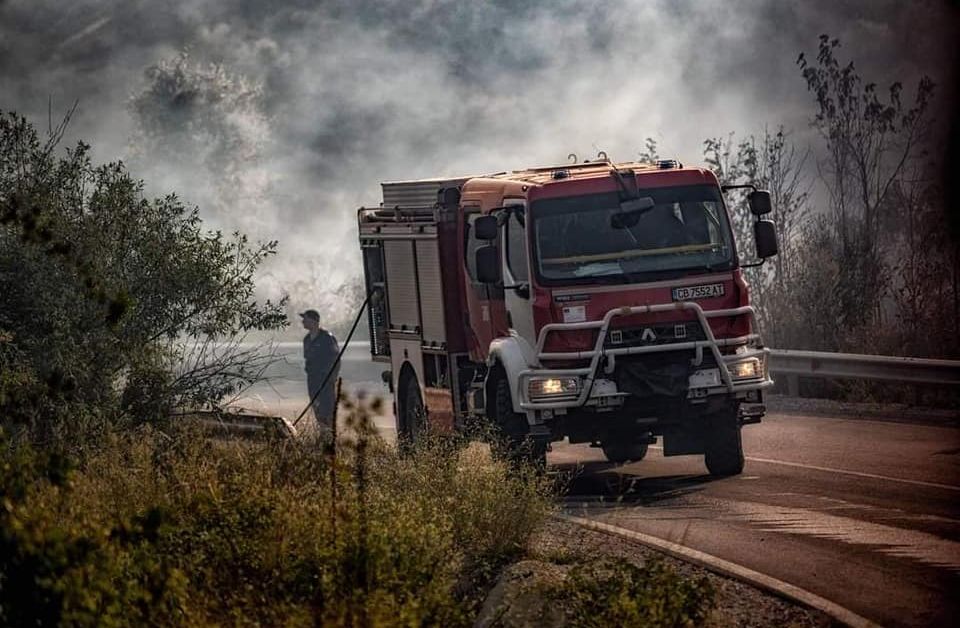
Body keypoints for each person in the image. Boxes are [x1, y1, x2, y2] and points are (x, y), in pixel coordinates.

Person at [300, 309, 340, 432]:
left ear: (313, 320)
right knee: (316, 405)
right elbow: (307, 359)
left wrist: (332, 377)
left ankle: (330, 434)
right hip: (312, 380)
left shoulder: (327, 338)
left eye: (305, 318)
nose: (303, 321)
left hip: (326, 380)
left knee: (327, 408)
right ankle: (322, 433)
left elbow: (335, 359)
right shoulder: (306, 339)